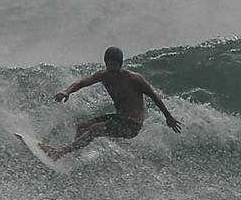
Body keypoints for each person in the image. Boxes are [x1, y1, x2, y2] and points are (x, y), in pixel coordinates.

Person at [44, 46, 182, 158]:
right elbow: (81, 83)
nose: (112, 69)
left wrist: (168, 117)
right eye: (110, 65)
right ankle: (74, 156)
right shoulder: (104, 76)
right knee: (82, 126)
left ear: (120, 64)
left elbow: (154, 96)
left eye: (115, 65)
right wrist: (67, 92)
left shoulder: (134, 79)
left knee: (95, 129)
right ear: (106, 63)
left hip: (132, 125)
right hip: (119, 118)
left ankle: (60, 153)